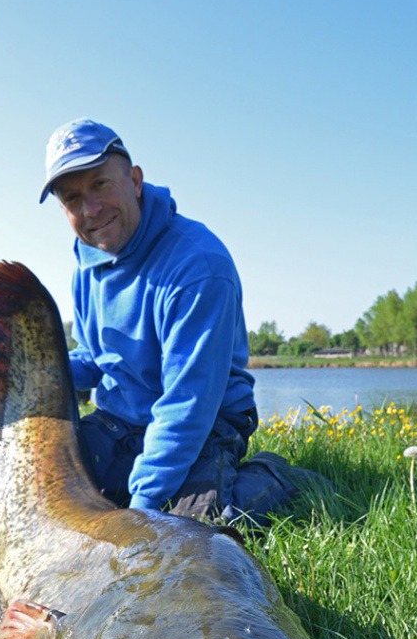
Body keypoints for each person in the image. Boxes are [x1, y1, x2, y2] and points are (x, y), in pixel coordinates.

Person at [41, 117, 328, 525]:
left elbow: (187, 405)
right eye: (72, 198)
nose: (90, 209)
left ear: (135, 181)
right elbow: (92, 358)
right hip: (121, 422)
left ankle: (276, 477)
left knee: (194, 526)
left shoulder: (197, 264)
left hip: (206, 421)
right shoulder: (86, 266)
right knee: (49, 488)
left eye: (101, 184)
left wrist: (140, 512)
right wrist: (31, 374)